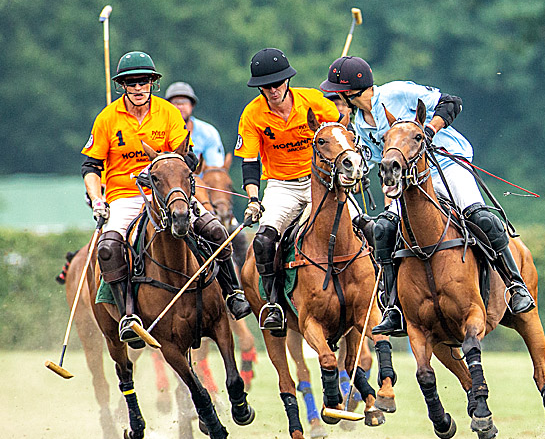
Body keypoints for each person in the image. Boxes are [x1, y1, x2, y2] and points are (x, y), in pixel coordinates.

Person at [318, 56, 536, 337]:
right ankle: (393, 308)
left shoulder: (397, 93)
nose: (336, 98)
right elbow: (374, 164)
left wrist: (430, 130)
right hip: (411, 185)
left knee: (480, 217)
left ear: (350, 92)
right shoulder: (359, 124)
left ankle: (515, 285)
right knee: (384, 229)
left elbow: (451, 102)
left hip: (447, 166)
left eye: (337, 92)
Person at [81, 52, 251, 343]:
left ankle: (233, 293)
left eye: (143, 81)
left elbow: (188, 158)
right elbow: (91, 166)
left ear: (152, 83)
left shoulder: (168, 113)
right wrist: (97, 199)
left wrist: (177, 169)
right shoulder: (107, 118)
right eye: (131, 82)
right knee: (108, 248)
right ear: (123, 85)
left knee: (215, 230)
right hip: (126, 195)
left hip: (169, 192)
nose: (138, 88)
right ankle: (128, 315)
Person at [235, 47, 347, 332]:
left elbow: (339, 131)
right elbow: (250, 162)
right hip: (281, 186)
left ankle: (381, 292)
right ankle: (273, 303)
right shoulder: (252, 115)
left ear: (287, 80)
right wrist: (252, 198)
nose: (273, 90)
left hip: (318, 182)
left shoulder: (313, 101)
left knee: (361, 225)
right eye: (266, 86)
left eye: (277, 83)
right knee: (263, 241)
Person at [165, 81, 259, 389]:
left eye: (185, 102)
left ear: (192, 105)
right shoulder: (161, 125)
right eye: (175, 102)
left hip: (205, 190)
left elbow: (216, 170)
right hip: (168, 192)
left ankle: (237, 289)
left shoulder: (206, 133)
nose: (180, 107)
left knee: (233, 235)